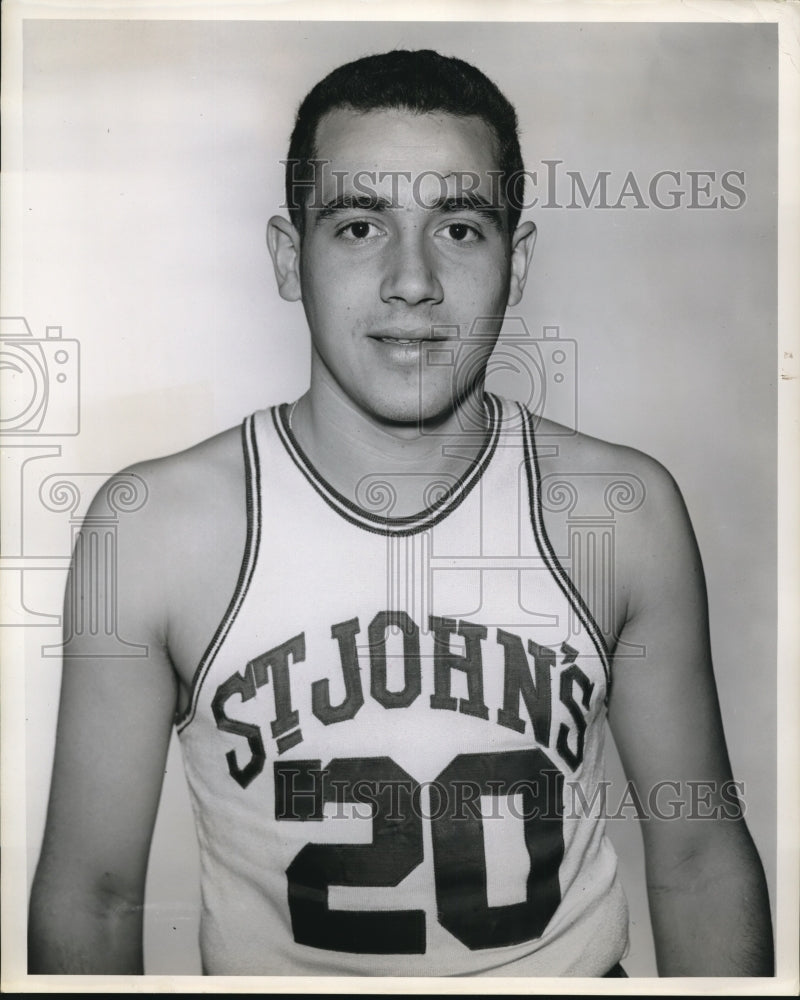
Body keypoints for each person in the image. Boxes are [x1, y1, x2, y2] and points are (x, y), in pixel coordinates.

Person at [28, 49, 773, 978]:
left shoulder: (622, 512)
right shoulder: (150, 529)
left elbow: (700, 860)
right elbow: (93, 896)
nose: (412, 279)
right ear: (287, 256)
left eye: (460, 227)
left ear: (519, 259)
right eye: (357, 227)